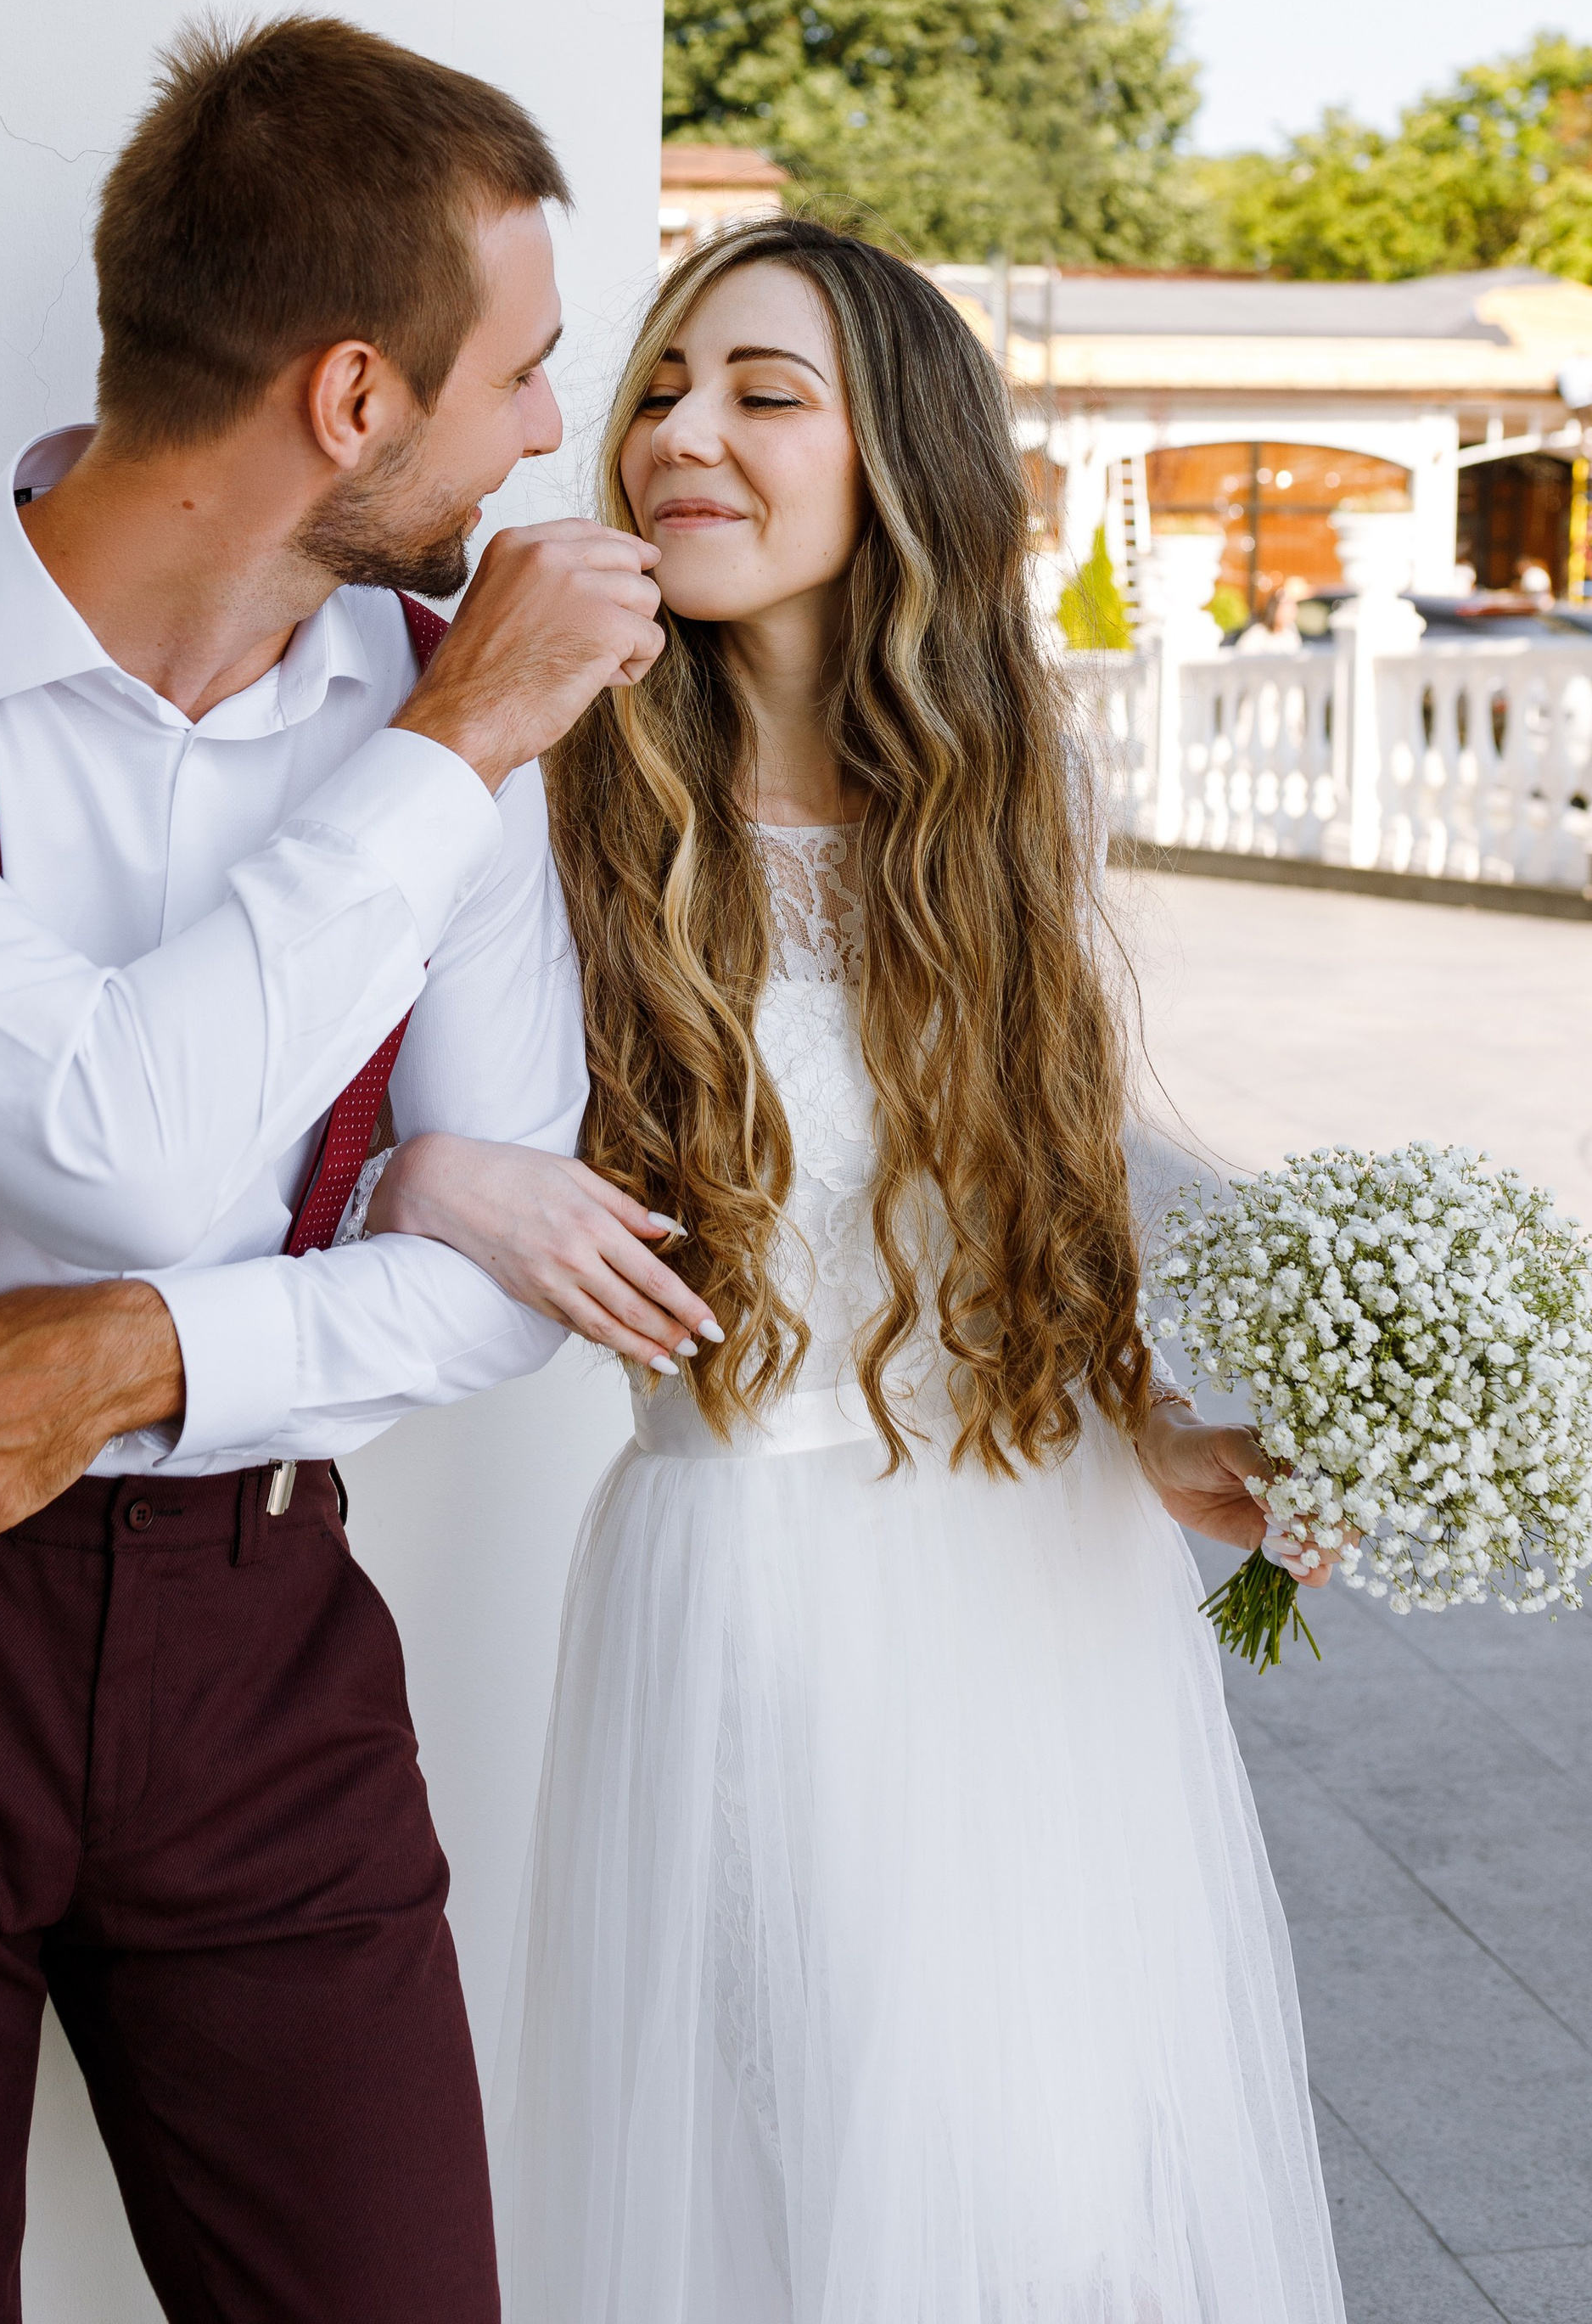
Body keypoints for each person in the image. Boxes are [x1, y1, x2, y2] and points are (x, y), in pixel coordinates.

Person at [0, 12, 711, 2324]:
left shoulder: (458, 694)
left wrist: (147, 1357)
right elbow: (109, 1141)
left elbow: (512, 1266)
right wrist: (455, 740)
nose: (551, 434)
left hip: (266, 1638)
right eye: (521, 374)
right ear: (351, 397)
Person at [377, 221, 1347, 2323]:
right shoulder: (550, 780)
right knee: (793, 2190)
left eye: (760, 392)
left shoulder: (1006, 803)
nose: (677, 438)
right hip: (751, 1583)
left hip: (1043, 1585)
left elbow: (1006, 1230)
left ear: (891, 457)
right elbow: (318, 1117)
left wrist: (1157, 1437)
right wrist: (430, 1173)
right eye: (656, 387)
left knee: (1055, 2202)